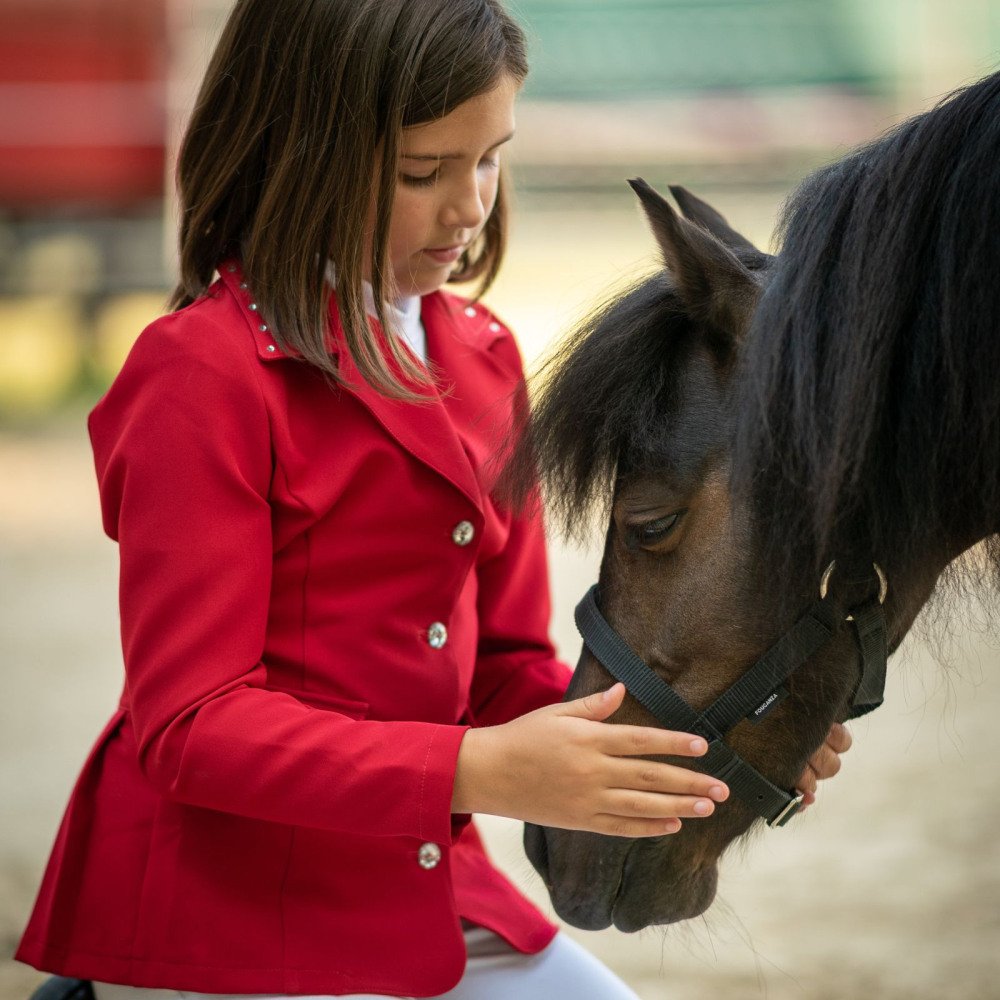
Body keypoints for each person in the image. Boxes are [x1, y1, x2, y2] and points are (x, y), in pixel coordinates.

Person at [16, 2, 851, 998]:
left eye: (490, 158)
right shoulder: (199, 373)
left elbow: (505, 668)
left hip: (425, 895)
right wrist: (475, 770)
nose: (469, 206)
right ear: (298, 152)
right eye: (424, 172)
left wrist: (702, 736)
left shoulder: (486, 356)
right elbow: (190, 727)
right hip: (220, 916)